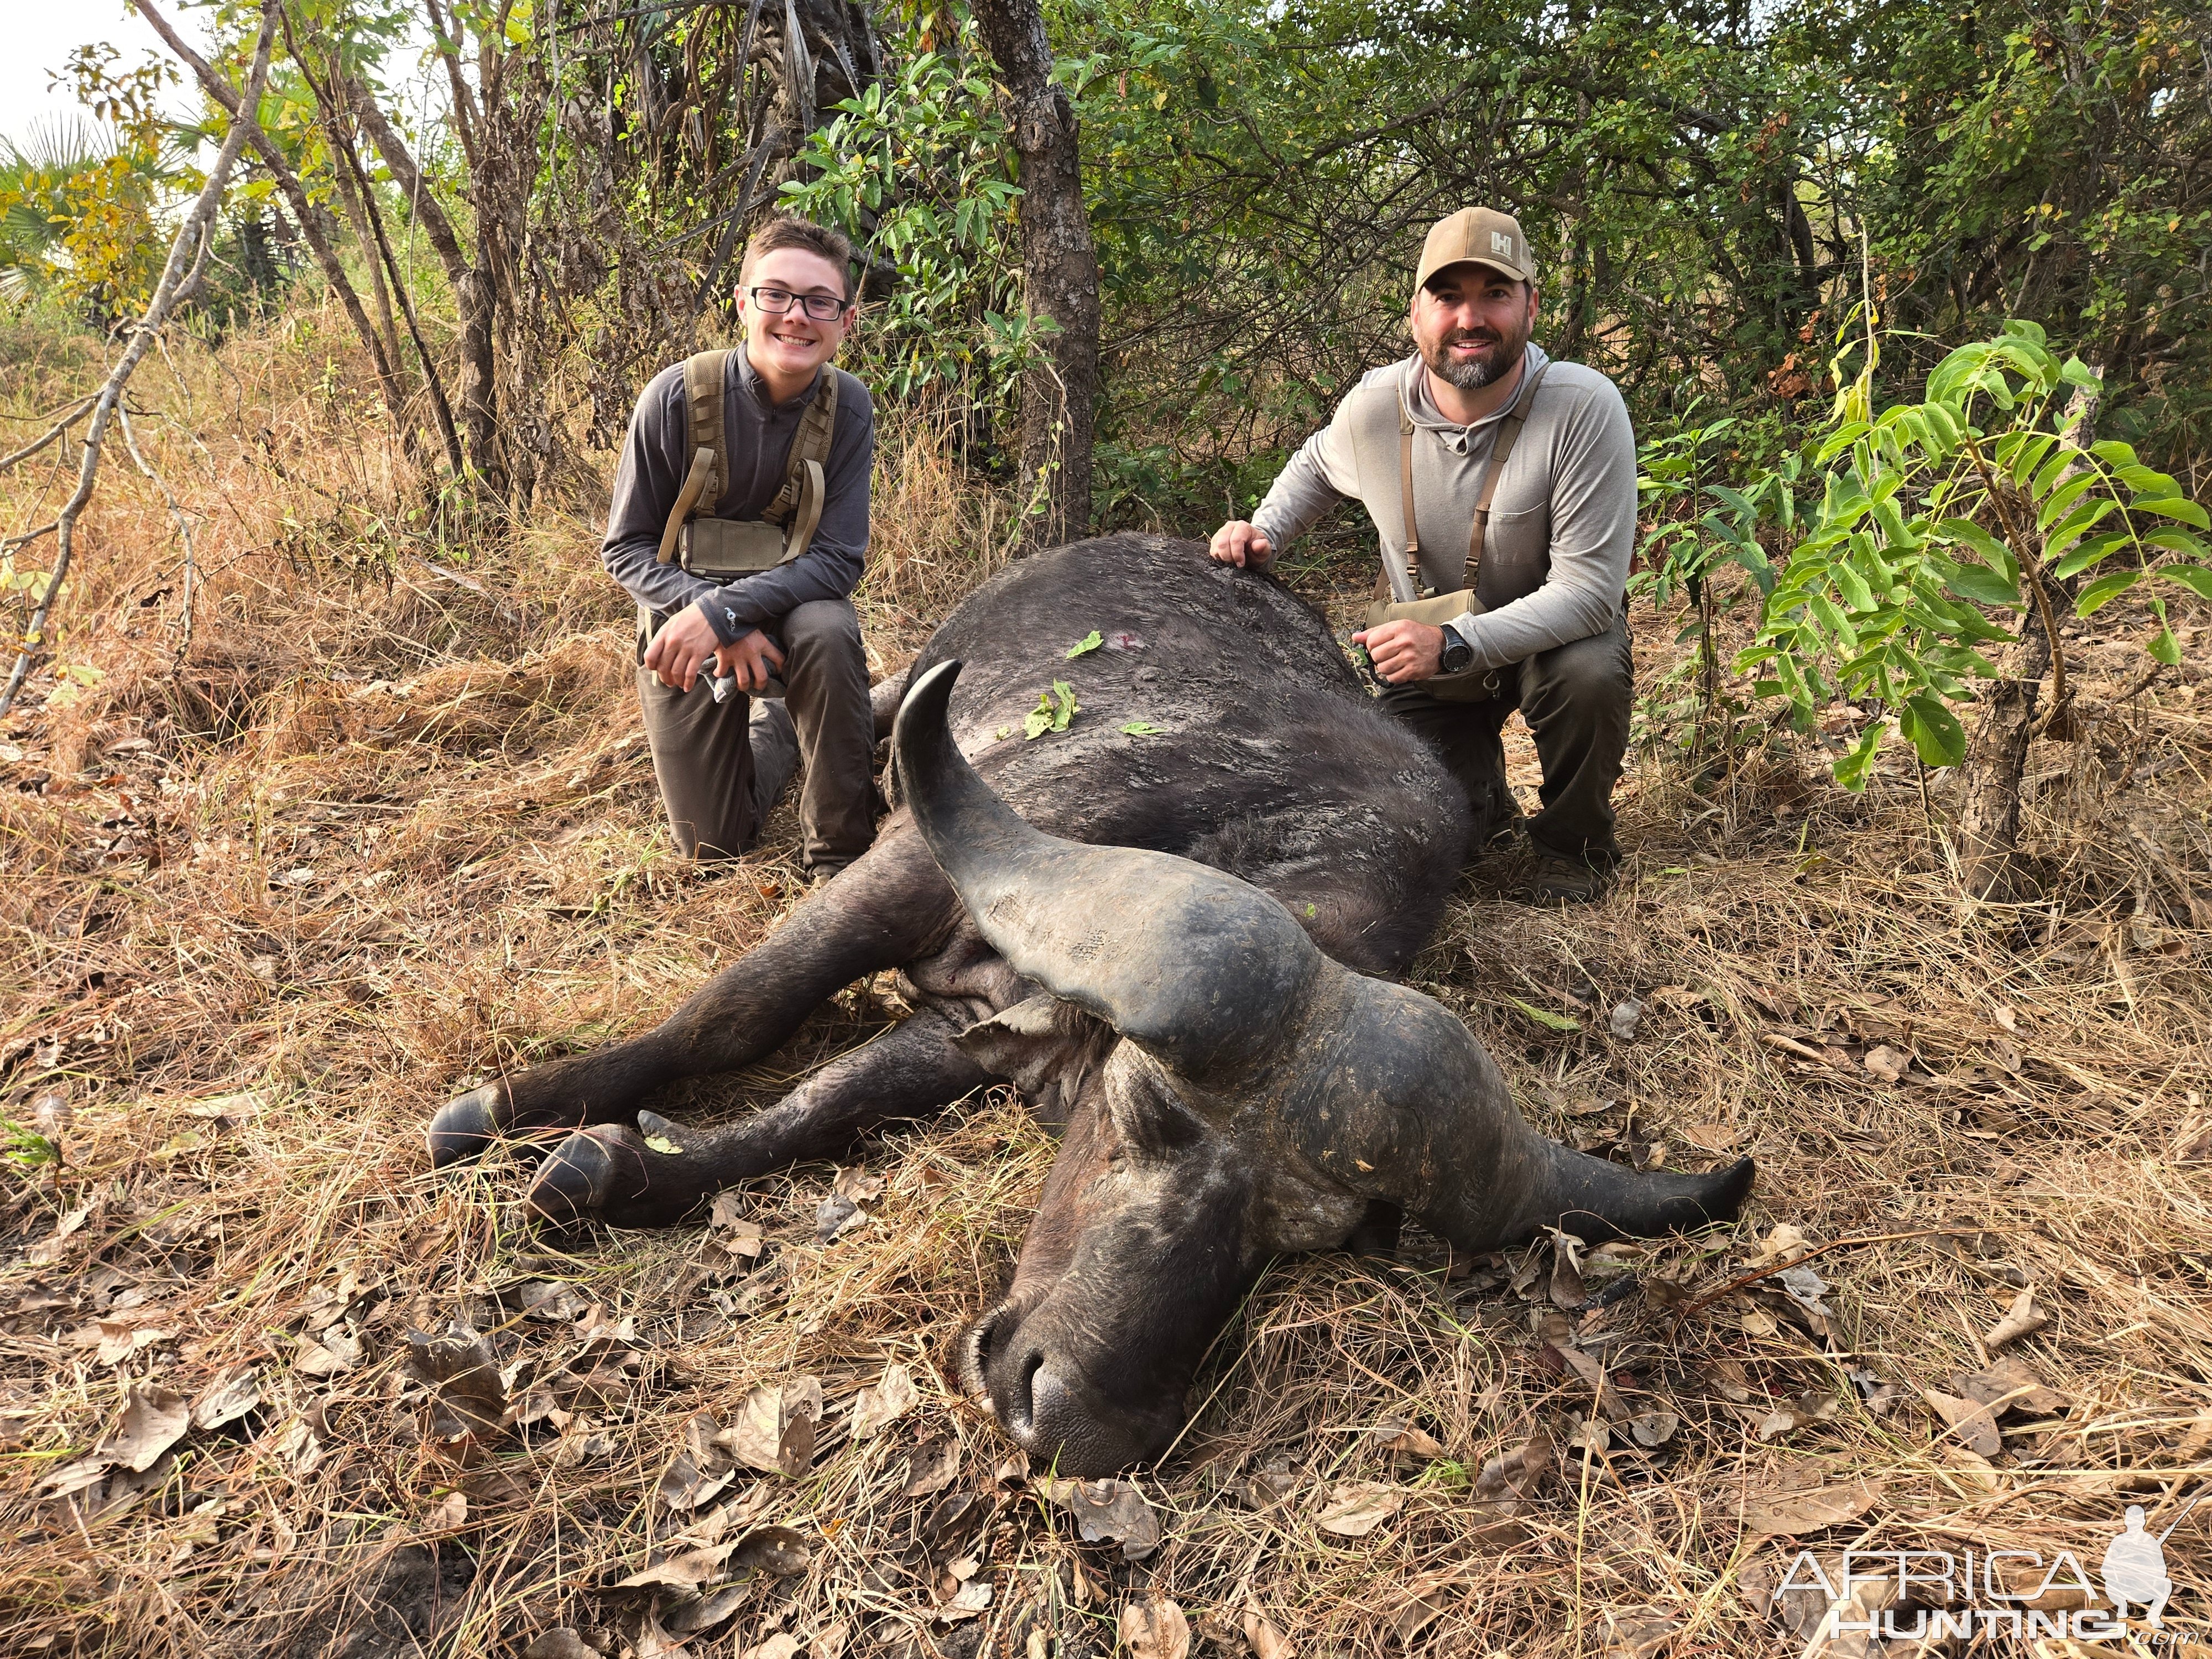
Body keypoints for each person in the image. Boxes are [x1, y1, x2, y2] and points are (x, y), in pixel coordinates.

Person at [1209, 207, 1637, 903]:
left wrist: (1454, 642)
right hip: (1430, 663)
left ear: (1531, 304)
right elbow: (1315, 465)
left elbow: (1590, 592)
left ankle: (1573, 847)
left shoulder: (1582, 407)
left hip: (1542, 643)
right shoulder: (1375, 406)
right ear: (1416, 314)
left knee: (1587, 671)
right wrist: (1262, 532)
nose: (1470, 318)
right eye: (1448, 297)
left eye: (1494, 294)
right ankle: (1487, 806)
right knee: (1429, 836)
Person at [602, 215, 878, 879]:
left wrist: (731, 615)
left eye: (820, 302)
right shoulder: (674, 396)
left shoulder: (850, 408)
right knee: (710, 846)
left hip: (789, 616)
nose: (796, 318)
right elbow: (628, 549)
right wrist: (709, 615)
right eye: (775, 295)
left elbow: (840, 560)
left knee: (828, 629)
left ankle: (839, 857)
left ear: (846, 320)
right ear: (743, 302)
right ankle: (780, 727)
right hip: (684, 626)